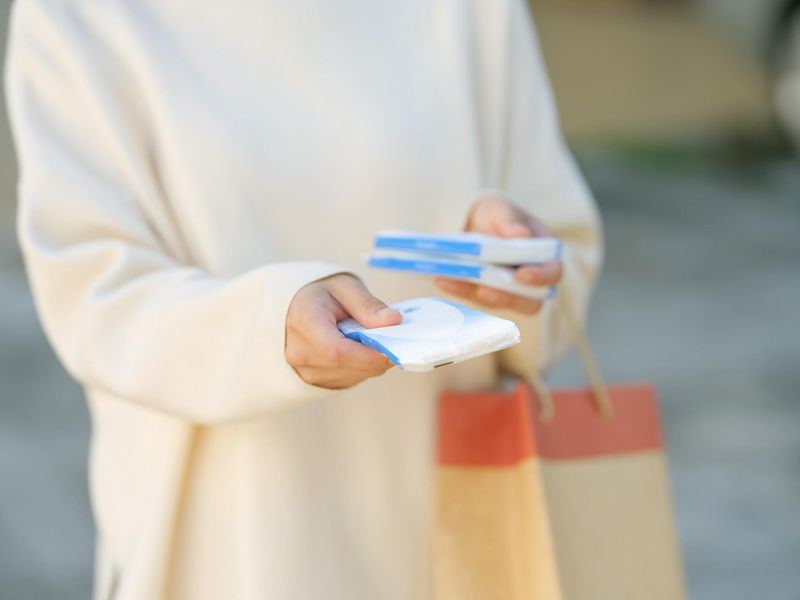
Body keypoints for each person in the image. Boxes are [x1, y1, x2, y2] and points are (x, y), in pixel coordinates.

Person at [6, 1, 601, 598]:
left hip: (461, 514)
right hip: (236, 534)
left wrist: (516, 268)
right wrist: (270, 330)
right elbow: (95, 295)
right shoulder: (77, 15)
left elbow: (563, 256)